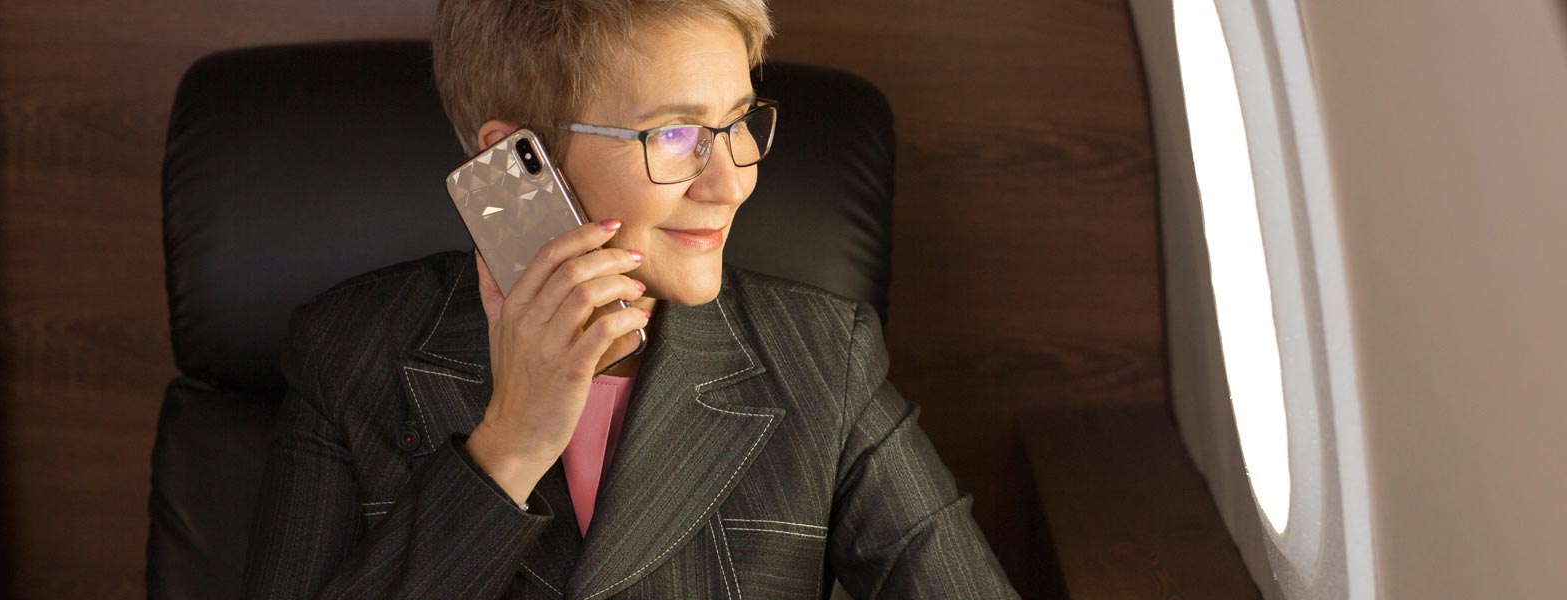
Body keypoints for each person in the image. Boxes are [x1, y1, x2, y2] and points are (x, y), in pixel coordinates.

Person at [241, 0, 1020, 598]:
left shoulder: (824, 358)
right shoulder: (348, 353)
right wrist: (506, 451)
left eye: (739, 121)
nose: (734, 180)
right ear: (516, 162)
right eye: (676, 136)